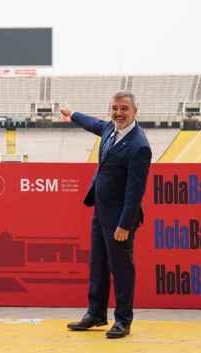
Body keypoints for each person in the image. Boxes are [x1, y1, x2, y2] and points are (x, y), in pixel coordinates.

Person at [62, 92, 152, 339]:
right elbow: (93, 124)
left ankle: (123, 320)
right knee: (98, 265)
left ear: (135, 111)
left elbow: (136, 192)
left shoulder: (139, 146)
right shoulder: (110, 129)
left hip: (120, 219)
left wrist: (124, 224)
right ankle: (96, 313)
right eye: (114, 108)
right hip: (101, 212)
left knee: (121, 269)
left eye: (124, 109)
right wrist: (72, 114)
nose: (118, 113)